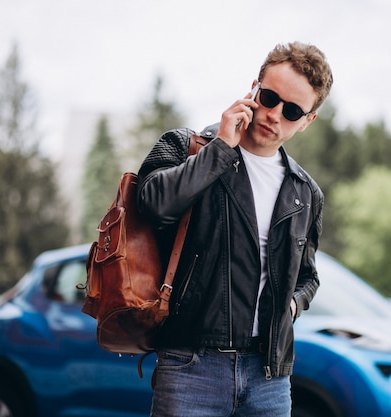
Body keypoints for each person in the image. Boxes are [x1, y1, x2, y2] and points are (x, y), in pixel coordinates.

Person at [136, 41, 333, 417]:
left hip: (269, 378)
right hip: (191, 364)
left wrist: (291, 306)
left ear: (308, 121)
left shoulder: (305, 193)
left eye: (291, 110)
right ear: (253, 88)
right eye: (270, 97)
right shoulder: (187, 146)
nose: (274, 114)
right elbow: (152, 205)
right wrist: (222, 148)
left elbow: (308, 276)